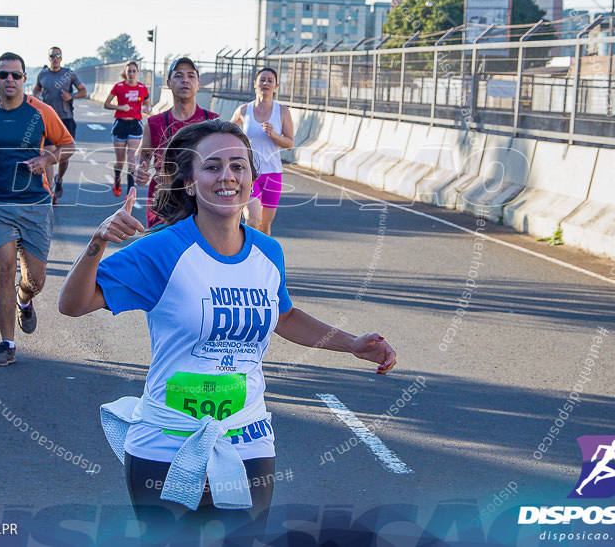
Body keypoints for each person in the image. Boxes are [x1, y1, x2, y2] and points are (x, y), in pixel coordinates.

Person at [59, 119, 397, 542]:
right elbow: (72, 305)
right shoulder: (162, 249)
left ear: (253, 179)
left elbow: (284, 316)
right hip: (166, 442)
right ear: (188, 181)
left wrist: (352, 344)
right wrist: (97, 242)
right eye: (212, 167)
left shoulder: (268, 252)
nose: (227, 177)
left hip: (247, 439)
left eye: (238, 166)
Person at [0, 52, 75, 366]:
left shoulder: (41, 111)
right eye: (3, 75)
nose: (10, 80)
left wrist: (46, 159)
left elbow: (67, 145)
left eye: (16, 75)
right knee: (4, 269)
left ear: (24, 78)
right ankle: (6, 344)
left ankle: (24, 301)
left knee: (35, 280)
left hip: (34, 203)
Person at [135, 57, 217, 228]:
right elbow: (143, 153)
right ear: (169, 83)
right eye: (178, 76)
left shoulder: (213, 122)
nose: (185, 80)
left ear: (198, 83)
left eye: (191, 76)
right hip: (164, 199)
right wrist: (139, 167)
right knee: (162, 250)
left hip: (202, 199)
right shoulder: (155, 122)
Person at [229, 67, 294, 235]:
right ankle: (245, 257)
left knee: (264, 226)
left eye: (270, 80)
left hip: (273, 173)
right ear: (255, 84)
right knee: (253, 219)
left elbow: (289, 143)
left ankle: (263, 260)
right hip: (249, 173)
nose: (266, 83)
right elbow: (227, 135)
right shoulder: (244, 110)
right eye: (262, 80)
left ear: (276, 86)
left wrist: (274, 135)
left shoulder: (283, 111)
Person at [32, 46, 87, 203]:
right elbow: (36, 90)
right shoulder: (42, 74)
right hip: (47, 119)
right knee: (48, 154)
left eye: (58, 55)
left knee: (64, 157)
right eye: (52, 56)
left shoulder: (69, 74)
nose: (55, 58)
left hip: (65, 119)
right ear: (49, 58)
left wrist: (71, 96)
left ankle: (59, 180)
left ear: (61, 58)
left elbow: (84, 91)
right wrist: (35, 99)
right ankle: (49, 191)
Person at [103, 60, 151, 199]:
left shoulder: (142, 88)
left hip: (135, 124)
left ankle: (130, 192)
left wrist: (147, 109)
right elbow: (107, 104)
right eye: (129, 71)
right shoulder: (119, 87)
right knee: (120, 161)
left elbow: (147, 105)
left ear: (137, 73)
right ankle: (117, 179)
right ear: (125, 72)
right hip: (120, 125)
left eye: (134, 71)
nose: (131, 74)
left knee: (131, 159)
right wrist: (120, 107)